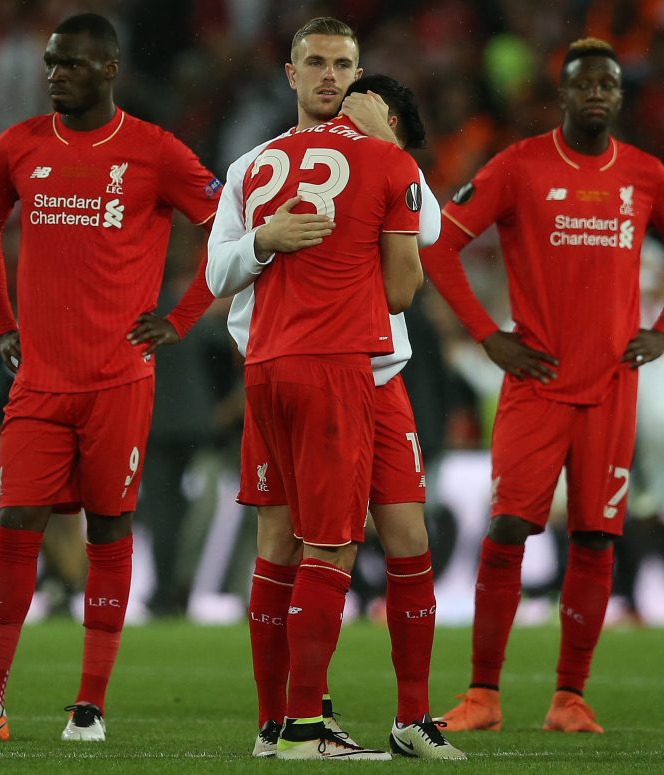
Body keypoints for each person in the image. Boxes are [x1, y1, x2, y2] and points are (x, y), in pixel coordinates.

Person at [0, 13, 221, 743]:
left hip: (119, 379)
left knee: (109, 529)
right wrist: (1, 325)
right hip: (39, 381)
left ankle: (89, 705)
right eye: (52, 63)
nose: (55, 74)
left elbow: (227, 220)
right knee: (16, 524)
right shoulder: (18, 146)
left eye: (72, 65)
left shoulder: (153, 152)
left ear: (110, 68)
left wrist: (180, 318)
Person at [421, 37, 664, 733]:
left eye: (608, 86)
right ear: (563, 95)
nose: (597, 95)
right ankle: (483, 694)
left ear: (619, 97)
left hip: (612, 389)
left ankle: (569, 696)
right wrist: (489, 334)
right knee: (509, 529)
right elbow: (439, 244)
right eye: (584, 84)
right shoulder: (520, 166)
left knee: (595, 540)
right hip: (538, 383)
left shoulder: (644, 174)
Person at [207, 19, 462, 760]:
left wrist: (388, 147)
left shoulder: (385, 162)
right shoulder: (251, 165)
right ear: (290, 74)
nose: (329, 76)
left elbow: (431, 229)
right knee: (289, 543)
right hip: (306, 363)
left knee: (407, 539)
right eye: (314, 63)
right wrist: (261, 240)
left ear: (359, 76)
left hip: (377, 374)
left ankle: (410, 717)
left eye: (343, 65)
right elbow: (217, 274)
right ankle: (284, 719)